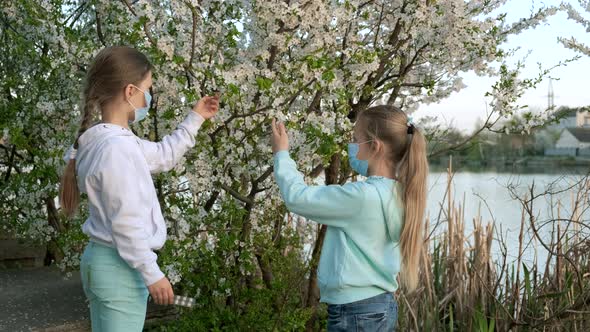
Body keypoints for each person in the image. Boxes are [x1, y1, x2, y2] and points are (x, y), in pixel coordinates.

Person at [58, 46, 219, 331]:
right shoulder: (116, 149)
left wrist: (196, 118)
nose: (149, 97)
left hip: (106, 262)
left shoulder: (109, 140)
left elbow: (163, 154)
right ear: (130, 92)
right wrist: (152, 273)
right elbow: (126, 221)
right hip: (120, 267)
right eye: (148, 88)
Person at [270, 105, 428, 331]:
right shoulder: (401, 193)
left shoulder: (363, 197)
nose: (351, 146)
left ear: (375, 147)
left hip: (355, 312)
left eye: (356, 139)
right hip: (381, 306)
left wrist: (281, 154)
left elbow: (298, 198)